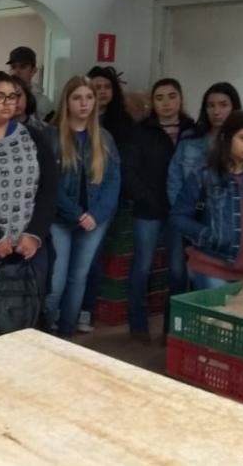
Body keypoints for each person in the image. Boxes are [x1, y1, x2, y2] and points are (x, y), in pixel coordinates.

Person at [0, 71, 57, 343]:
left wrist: (34, 234)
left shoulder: (34, 137)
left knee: (28, 317)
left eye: (13, 97)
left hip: (30, 246)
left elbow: (49, 189)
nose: (8, 103)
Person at [170, 110, 243, 289]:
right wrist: (208, 236)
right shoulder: (204, 176)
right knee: (219, 317)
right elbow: (178, 217)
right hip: (212, 267)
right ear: (226, 137)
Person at [45, 76, 120, 338]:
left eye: (89, 97)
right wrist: (77, 215)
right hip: (61, 219)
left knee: (79, 279)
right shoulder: (52, 136)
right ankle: (43, 333)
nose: (84, 103)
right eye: (77, 97)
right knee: (56, 282)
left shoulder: (105, 139)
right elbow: (50, 185)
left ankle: (65, 333)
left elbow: (113, 183)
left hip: (94, 221)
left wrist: (95, 216)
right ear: (67, 102)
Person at [121, 78, 194, 342]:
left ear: (181, 99)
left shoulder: (192, 131)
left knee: (177, 271)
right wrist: (146, 198)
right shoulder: (142, 131)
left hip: (181, 212)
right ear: (153, 102)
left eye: (172, 96)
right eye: (160, 97)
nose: (166, 103)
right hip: (148, 209)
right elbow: (130, 170)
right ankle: (138, 325)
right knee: (142, 266)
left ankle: (171, 328)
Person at [75, 65, 135, 333]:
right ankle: (67, 314)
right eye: (94, 88)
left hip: (102, 206)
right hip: (73, 207)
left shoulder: (120, 126)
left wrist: (98, 212)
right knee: (69, 266)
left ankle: (85, 310)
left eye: (105, 87)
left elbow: (116, 175)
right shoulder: (66, 125)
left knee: (90, 262)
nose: (99, 93)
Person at [168, 82, 243, 207]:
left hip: (228, 214)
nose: (216, 111)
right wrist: (180, 211)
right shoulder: (190, 140)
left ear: (234, 108)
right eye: (211, 106)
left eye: (223, 105)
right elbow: (174, 179)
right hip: (190, 211)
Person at [7, 46, 54, 121]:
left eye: (22, 67)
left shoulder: (43, 103)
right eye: (13, 67)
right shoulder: (3, 97)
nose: (16, 71)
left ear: (33, 70)